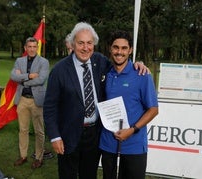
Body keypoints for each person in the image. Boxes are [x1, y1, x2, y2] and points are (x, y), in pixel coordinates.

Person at [43, 22, 149, 179]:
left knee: (89, 175)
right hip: (68, 135)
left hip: (94, 135)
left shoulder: (100, 62)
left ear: (94, 44)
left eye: (89, 43)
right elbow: (50, 107)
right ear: (72, 44)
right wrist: (55, 136)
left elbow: (120, 62)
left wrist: (137, 64)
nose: (85, 48)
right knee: (67, 175)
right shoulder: (59, 70)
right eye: (81, 43)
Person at [99, 30, 159, 179]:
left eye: (124, 48)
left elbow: (153, 110)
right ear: (110, 49)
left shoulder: (142, 74)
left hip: (134, 145)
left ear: (130, 50)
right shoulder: (105, 72)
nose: (119, 52)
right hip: (108, 144)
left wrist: (132, 130)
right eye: (116, 47)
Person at [11, 37, 49, 169]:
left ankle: (39, 157)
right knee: (23, 130)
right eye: (29, 47)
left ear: (37, 47)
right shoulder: (19, 61)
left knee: (39, 131)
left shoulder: (44, 62)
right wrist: (29, 75)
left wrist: (22, 79)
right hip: (22, 100)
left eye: (34, 47)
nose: (32, 49)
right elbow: (13, 76)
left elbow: (41, 79)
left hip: (37, 101)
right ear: (25, 48)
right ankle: (23, 156)